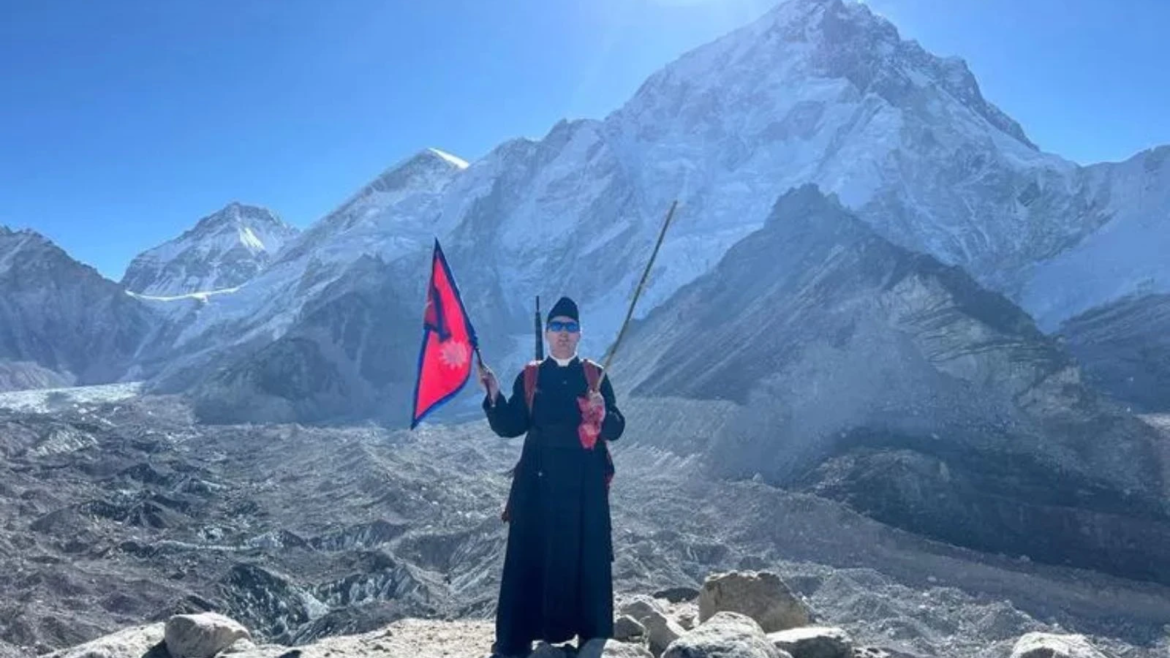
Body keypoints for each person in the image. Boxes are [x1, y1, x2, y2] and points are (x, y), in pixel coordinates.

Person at [477, 295, 626, 657]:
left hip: (584, 486)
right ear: (547, 333)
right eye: (557, 326)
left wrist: (602, 413)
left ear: (579, 334)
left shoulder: (594, 376)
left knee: (586, 555)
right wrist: (494, 394)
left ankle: (591, 638)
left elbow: (617, 427)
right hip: (537, 483)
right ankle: (515, 642)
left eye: (570, 327)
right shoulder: (531, 376)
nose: (563, 333)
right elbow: (511, 425)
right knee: (528, 555)